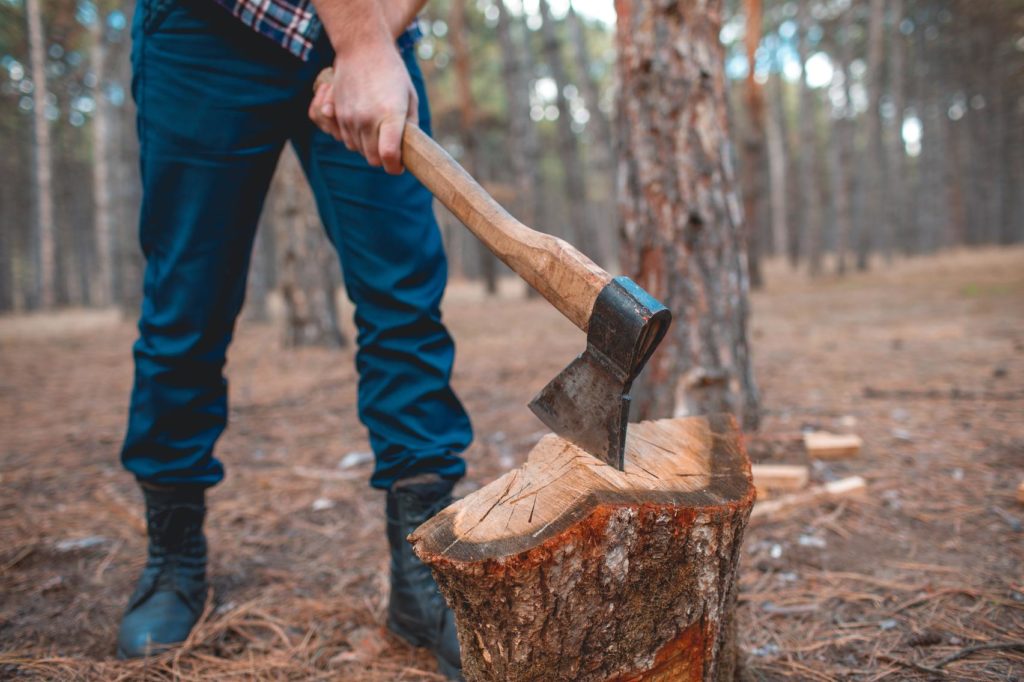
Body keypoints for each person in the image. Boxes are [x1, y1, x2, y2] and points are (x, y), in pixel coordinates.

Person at [114, 0, 471, 677]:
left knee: (405, 302)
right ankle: (172, 559)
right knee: (187, 304)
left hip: (373, 30)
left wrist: (373, 42)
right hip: (205, 29)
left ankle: (422, 573)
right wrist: (362, 47)